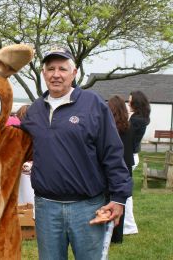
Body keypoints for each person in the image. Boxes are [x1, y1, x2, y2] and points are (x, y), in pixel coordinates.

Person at [21, 47, 132, 259]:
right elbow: (17, 146)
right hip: (46, 207)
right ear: (43, 73)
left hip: (87, 206)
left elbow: (112, 153)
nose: (56, 74)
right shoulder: (34, 111)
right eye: (50, 69)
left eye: (62, 68)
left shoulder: (93, 104)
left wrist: (119, 198)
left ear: (74, 73)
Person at [108, 95, 135, 243]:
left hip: (115, 166)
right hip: (127, 165)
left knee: (110, 199)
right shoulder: (129, 126)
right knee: (121, 201)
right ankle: (118, 236)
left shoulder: (111, 127)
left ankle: (110, 233)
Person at [124, 90, 150, 235]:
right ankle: (127, 225)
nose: (128, 103)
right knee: (124, 191)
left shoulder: (136, 120)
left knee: (125, 192)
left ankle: (129, 226)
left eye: (130, 101)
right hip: (131, 156)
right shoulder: (139, 118)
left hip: (129, 157)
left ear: (136, 103)